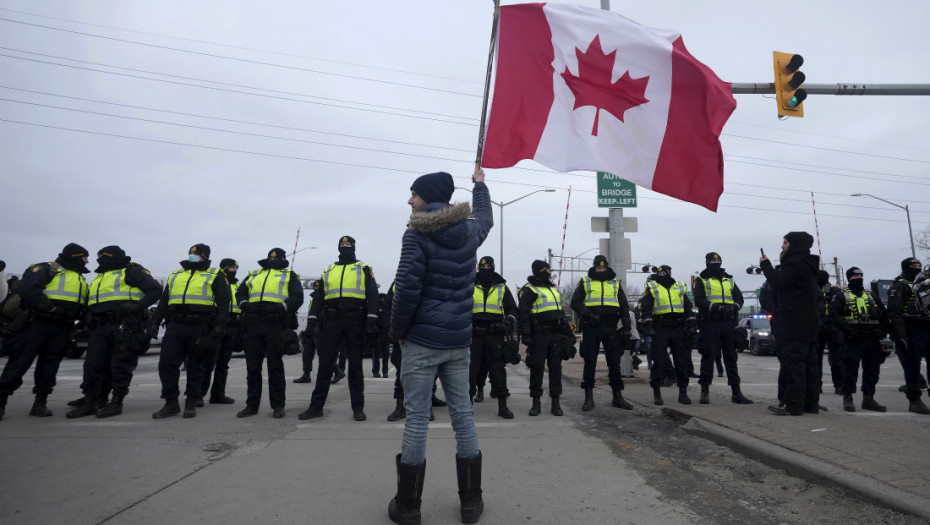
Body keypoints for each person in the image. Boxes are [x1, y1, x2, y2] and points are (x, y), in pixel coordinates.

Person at [388, 168, 491, 525]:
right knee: (462, 414)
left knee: (417, 418)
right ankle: (471, 503)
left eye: (413, 194)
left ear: (428, 197)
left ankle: (408, 506)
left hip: (422, 340)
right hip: (458, 341)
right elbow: (486, 217)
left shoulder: (415, 233)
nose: (409, 200)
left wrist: (398, 332)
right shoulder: (469, 232)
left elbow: (406, 290)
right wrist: (480, 185)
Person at [65, 246, 162, 419]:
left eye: (102, 256)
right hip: (100, 326)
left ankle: (116, 402)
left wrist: (138, 305)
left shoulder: (132, 270)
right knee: (93, 365)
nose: (98, 260)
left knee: (120, 366)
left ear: (112, 256)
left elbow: (155, 290)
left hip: (125, 325)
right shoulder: (100, 276)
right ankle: (92, 401)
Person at [0, 244, 90, 420]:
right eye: (84, 257)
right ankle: (1, 401)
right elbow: (28, 289)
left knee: (49, 367)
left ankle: (40, 403)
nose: (86, 261)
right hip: (36, 324)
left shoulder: (80, 278)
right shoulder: (46, 269)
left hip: (62, 328)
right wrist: (51, 308)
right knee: (19, 362)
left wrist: (82, 318)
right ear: (74, 256)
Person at [299, 236, 379, 422]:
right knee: (325, 365)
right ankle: (315, 407)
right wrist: (311, 322)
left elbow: (373, 296)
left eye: (348, 244)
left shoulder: (364, 269)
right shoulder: (328, 270)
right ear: (338, 247)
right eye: (342, 245)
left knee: (356, 368)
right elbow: (318, 298)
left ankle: (358, 408)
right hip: (331, 322)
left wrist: (371, 321)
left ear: (353, 247)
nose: (345, 247)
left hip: (355, 321)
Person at [150, 244, 231, 419]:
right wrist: (155, 320)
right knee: (166, 364)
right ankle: (171, 402)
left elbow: (224, 301)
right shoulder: (176, 274)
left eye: (197, 254)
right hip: (175, 325)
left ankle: (192, 401)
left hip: (200, 326)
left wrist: (220, 325)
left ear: (205, 257)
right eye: (191, 253)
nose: (192, 256)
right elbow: (165, 300)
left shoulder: (215, 275)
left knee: (196, 365)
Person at [236, 248, 304, 419]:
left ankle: (278, 406)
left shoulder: (289, 275)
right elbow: (240, 292)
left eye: (276, 258)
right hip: (253, 323)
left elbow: (297, 297)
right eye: (271, 257)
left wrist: (281, 307)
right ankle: (251, 406)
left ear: (282, 260)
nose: (273, 260)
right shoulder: (253, 274)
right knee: (252, 368)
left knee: (275, 367)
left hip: (275, 323)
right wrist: (244, 304)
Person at [761, 232, 821, 416]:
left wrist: (766, 266)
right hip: (808, 324)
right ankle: (810, 404)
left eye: (785, 243)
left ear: (795, 245)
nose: (782, 246)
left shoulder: (795, 264)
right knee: (809, 366)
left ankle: (793, 405)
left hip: (794, 324)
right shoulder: (808, 265)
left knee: (793, 365)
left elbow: (778, 282)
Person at [570, 255, 633, 412]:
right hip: (592, 327)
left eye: (604, 267)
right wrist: (590, 315)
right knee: (590, 361)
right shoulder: (586, 282)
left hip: (610, 327)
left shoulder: (615, 283)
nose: (601, 270)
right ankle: (588, 398)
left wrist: (627, 327)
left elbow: (624, 306)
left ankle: (617, 397)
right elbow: (575, 302)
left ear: (607, 267)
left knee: (614, 362)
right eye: (599, 267)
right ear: (594, 267)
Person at [692, 252, 752, 405]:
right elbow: (699, 299)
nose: (715, 263)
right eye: (713, 261)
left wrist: (734, 307)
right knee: (709, 355)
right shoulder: (701, 280)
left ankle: (736, 392)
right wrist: (716, 308)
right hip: (710, 322)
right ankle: (704, 391)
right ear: (707, 262)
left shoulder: (729, 279)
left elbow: (739, 298)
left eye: (718, 261)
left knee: (731, 357)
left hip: (728, 322)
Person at [519, 259, 574, 417]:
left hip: (556, 335)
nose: (549, 273)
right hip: (539, 335)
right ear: (540, 271)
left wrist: (569, 334)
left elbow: (561, 314)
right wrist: (526, 336)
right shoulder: (529, 290)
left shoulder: (553, 289)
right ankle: (536, 402)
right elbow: (523, 314)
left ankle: (555, 403)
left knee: (556, 369)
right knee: (537, 368)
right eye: (547, 270)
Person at [832, 267, 888, 412]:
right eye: (855, 275)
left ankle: (868, 398)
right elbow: (834, 316)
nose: (858, 277)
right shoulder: (842, 295)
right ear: (849, 277)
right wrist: (847, 330)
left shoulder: (870, 295)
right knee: (850, 370)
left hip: (871, 338)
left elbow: (884, 314)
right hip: (852, 338)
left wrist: (882, 330)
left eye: (860, 275)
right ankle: (848, 397)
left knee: (872, 370)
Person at [640, 265, 695, 405]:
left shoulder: (680, 286)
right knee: (658, 361)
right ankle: (657, 393)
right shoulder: (652, 287)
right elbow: (646, 306)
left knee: (681, 361)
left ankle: (683, 393)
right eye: (660, 273)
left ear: (669, 273)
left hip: (678, 327)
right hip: (660, 327)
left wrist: (691, 322)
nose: (662, 274)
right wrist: (648, 323)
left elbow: (687, 306)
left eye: (664, 272)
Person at [470, 255, 518, 418]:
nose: (485, 270)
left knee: (498, 370)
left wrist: (509, 322)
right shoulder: (470, 283)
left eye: (488, 267)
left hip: (494, 334)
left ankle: (503, 406)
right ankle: (467, 405)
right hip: (474, 334)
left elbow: (512, 308)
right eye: (482, 268)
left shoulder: (501, 287)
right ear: (478, 268)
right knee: (470, 371)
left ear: (493, 267)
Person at [887, 257, 930, 414]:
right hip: (912, 328)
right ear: (905, 268)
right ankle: (914, 399)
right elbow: (894, 311)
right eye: (914, 266)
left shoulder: (925, 283)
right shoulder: (900, 286)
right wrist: (901, 334)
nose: (917, 268)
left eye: (919, 265)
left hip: (928, 326)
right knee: (912, 366)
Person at [202, 258, 242, 405]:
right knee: (209, 361)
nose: (235, 270)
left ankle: (218, 394)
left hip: (232, 325)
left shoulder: (238, 285)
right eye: (232, 267)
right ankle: (199, 394)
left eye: (236, 268)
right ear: (225, 268)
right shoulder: (216, 281)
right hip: (216, 324)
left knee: (223, 363)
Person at [816, 270, 845, 395]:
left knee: (822, 359)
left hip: (827, 328)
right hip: (829, 328)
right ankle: (837, 385)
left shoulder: (829, 290)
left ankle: (819, 385)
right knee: (834, 358)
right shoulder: (834, 290)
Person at [295, 279, 322, 384]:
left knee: (322, 353)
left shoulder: (322, 298)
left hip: (319, 328)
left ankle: (336, 371)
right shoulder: (313, 298)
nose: (316, 288)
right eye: (315, 287)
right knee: (307, 352)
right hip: (311, 327)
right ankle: (306, 375)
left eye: (318, 287)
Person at [372, 293, 392, 378]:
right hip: (378, 333)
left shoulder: (387, 307)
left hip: (385, 333)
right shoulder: (378, 307)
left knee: (385, 354)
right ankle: (377, 371)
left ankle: (384, 371)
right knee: (378, 353)